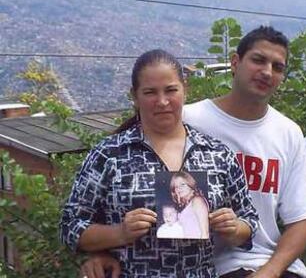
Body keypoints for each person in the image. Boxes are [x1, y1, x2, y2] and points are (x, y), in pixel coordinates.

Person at [81, 26, 306, 278]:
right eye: (258, 60)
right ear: (235, 62)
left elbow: (299, 221)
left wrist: (268, 271)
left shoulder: (288, 133)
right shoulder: (183, 118)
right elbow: (111, 191)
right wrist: (102, 249)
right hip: (209, 264)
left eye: (277, 66)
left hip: (267, 262)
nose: (266, 72)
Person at [59, 49, 258, 278]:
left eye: (171, 90)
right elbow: (70, 227)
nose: (162, 101)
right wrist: (119, 233)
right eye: (150, 92)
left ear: (185, 90)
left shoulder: (216, 154)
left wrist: (233, 228)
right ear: (135, 96)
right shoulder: (109, 155)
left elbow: (249, 221)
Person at [170, 171, 209, 239]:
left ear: (190, 184)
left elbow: (205, 233)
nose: (179, 188)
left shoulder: (197, 201)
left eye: (182, 184)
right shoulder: (187, 204)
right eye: (176, 187)